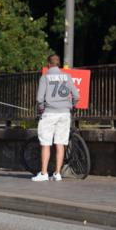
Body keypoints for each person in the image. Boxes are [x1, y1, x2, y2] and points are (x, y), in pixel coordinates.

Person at [33, 53, 80, 182]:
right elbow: (76, 96)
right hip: (64, 114)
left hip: (49, 113)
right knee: (60, 143)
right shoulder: (67, 76)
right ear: (58, 64)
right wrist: (71, 106)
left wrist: (41, 109)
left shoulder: (45, 77)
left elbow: (39, 99)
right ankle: (57, 173)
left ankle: (43, 173)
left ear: (48, 64)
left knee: (46, 143)